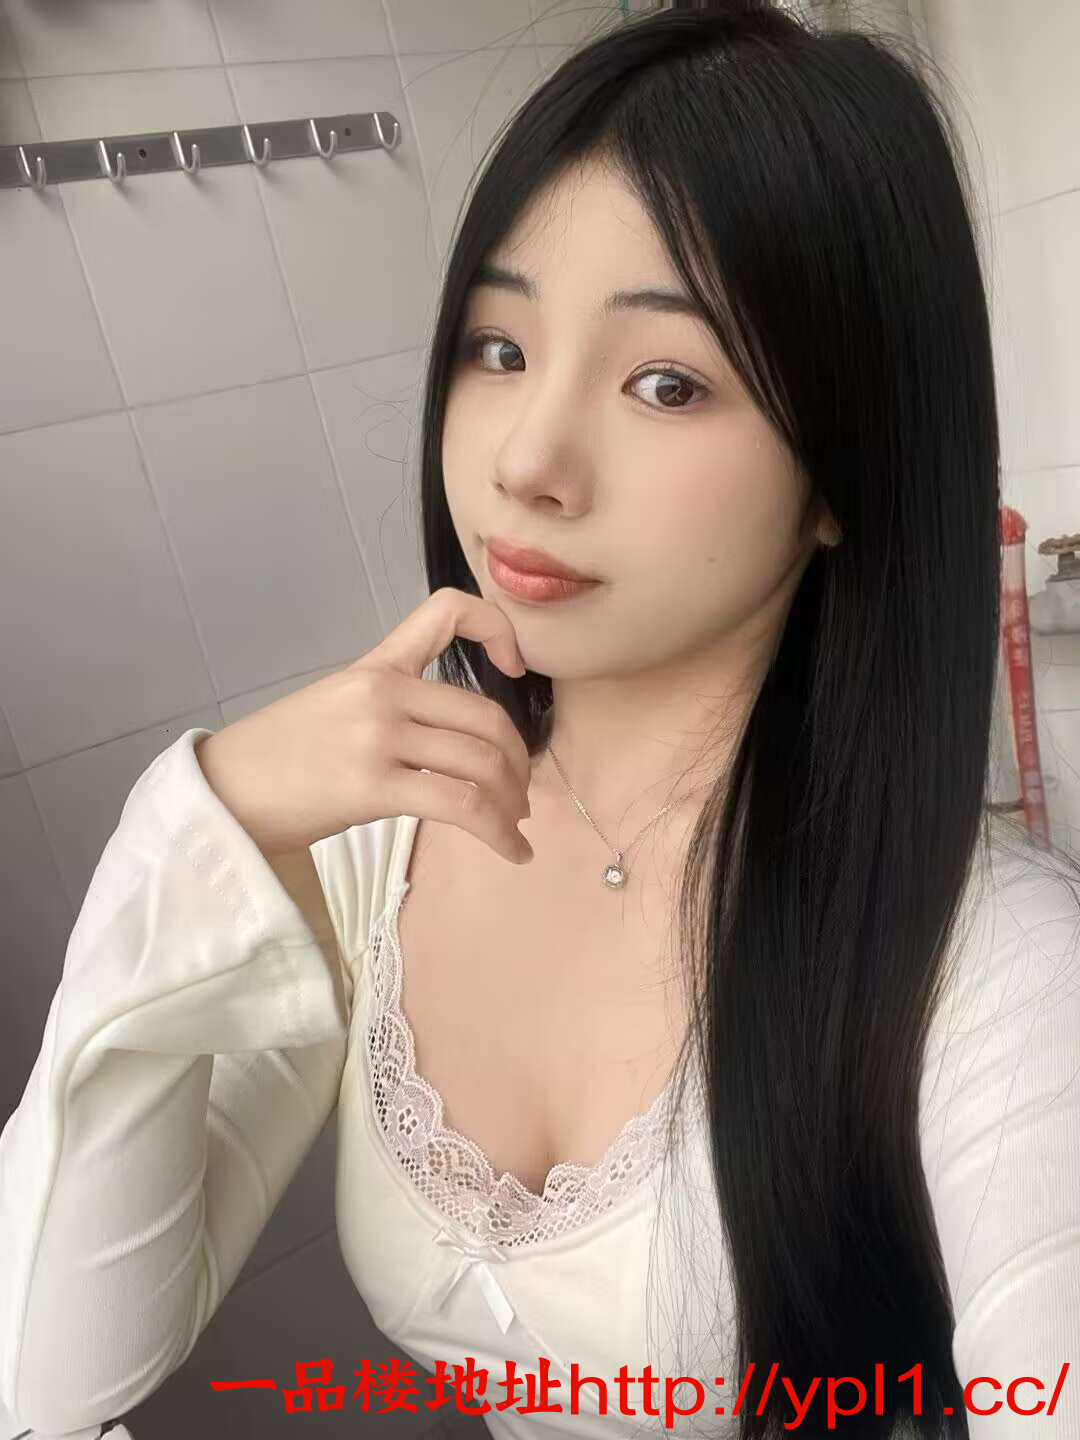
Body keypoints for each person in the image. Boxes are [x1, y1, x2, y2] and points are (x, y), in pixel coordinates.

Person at [2, 2, 1079, 1436]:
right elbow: (52, 1374)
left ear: (843, 470)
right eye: (499, 348)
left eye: (666, 382)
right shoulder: (370, 843)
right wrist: (198, 822)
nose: (526, 460)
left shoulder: (993, 967)